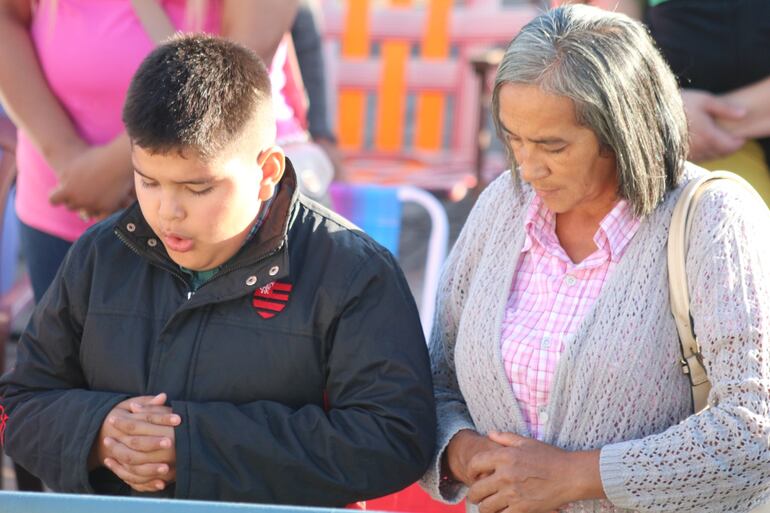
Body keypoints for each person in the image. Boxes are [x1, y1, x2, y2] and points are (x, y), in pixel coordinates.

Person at [0, 34, 435, 504]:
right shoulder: (100, 255)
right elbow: (19, 403)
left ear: (267, 171)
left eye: (198, 188)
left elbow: (395, 439)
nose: (168, 211)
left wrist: (191, 447)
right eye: (147, 181)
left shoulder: (352, 272)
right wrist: (99, 433)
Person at [420, 5, 770, 513]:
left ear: (623, 133)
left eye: (553, 146)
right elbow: (434, 381)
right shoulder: (503, 203)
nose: (528, 166)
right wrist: (463, 451)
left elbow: (755, 424)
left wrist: (577, 476)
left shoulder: (715, 217)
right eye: (513, 139)